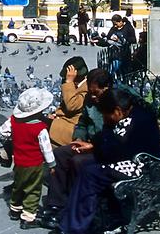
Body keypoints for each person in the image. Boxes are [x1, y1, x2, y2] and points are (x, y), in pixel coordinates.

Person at [59, 88, 160, 234]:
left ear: (118, 111)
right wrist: (94, 144)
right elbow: (111, 143)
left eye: (106, 115)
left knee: (91, 173)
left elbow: (114, 149)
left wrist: (98, 143)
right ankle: (76, 220)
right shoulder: (129, 114)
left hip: (144, 167)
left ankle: (76, 226)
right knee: (84, 166)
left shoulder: (137, 121)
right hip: (129, 160)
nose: (105, 118)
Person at [41, 69, 112, 228]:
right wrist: (78, 138)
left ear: (107, 87)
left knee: (77, 161)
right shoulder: (90, 100)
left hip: (106, 148)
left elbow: (116, 135)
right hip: (89, 142)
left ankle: (75, 208)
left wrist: (93, 145)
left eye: (96, 93)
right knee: (59, 154)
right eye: (91, 92)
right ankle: (56, 204)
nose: (93, 96)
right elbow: (82, 123)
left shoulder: (117, 102)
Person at [0, 87, 55, 229]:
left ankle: (14, 209)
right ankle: (28, 218)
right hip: (34, 164)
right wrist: (52, 164)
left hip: (18, 161)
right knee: (33, 189)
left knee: (18, 185)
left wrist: (12, 136)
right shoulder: (40, 128)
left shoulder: (14, 120)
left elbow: (3, 130)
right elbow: (46, 148)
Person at [48, 57, 88, 146]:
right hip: (61, 121)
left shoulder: (87, 88)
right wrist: (55, 114)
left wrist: (69, 81)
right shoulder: (75, 85)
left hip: (71, 128)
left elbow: (72, 106)